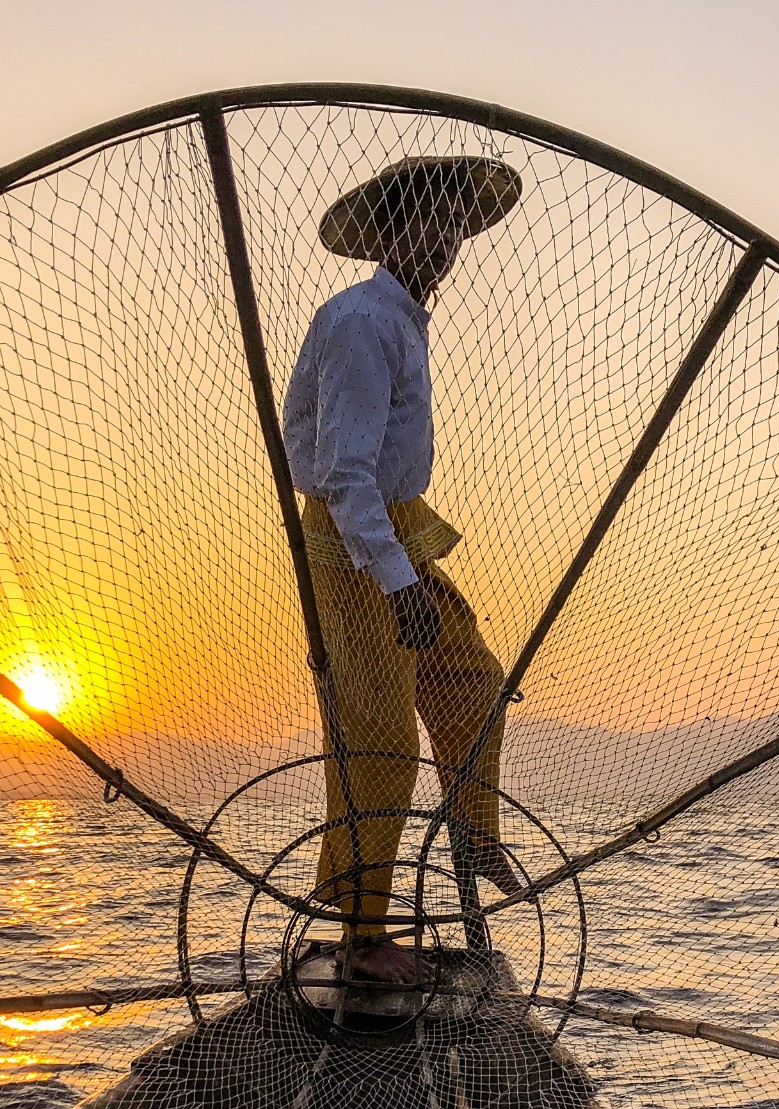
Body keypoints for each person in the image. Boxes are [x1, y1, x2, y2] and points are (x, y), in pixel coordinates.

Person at [281, 156, 523, 986]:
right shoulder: (361, 322)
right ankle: (361, 934)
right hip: (355, 541)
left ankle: (477, 829)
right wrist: (399, 583)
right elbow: (345, 473)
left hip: (402, 527)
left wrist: (409, 565)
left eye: (454, 222)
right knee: (378, 738)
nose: (445, 237)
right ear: (386, 234)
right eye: (425, 220)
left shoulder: (402, 318)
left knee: (473, 681)